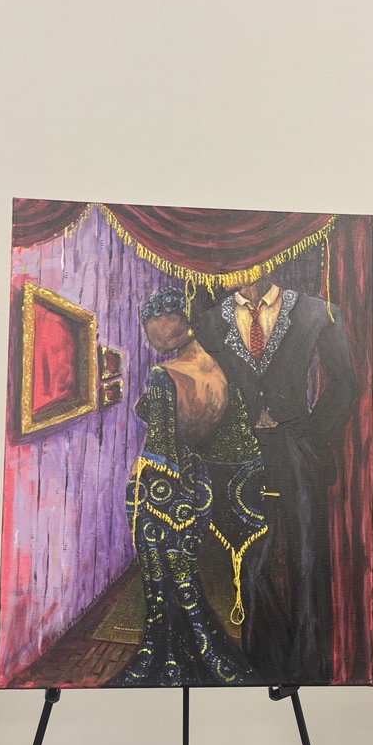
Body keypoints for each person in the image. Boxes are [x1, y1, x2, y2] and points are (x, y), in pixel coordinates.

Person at [196, 274, 357, 683]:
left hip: (297, 450)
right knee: (248, 560)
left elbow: (344, 384)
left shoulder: (316, 311)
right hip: (240, 454)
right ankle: (262, 662)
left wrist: (310, 435)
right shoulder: (211, 320)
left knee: (306, 557)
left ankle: (309, 666)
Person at [107, 287, 269, 688]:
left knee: (166, 583)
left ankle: (166, 656)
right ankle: (209, 652)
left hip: (169, 493)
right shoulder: (219, 367)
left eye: (149, 323)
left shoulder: (164, 376)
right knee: (188, 579)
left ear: (168, 323)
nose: (148, 333)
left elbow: (159, 451)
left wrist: (138, 486)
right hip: (207, 486)